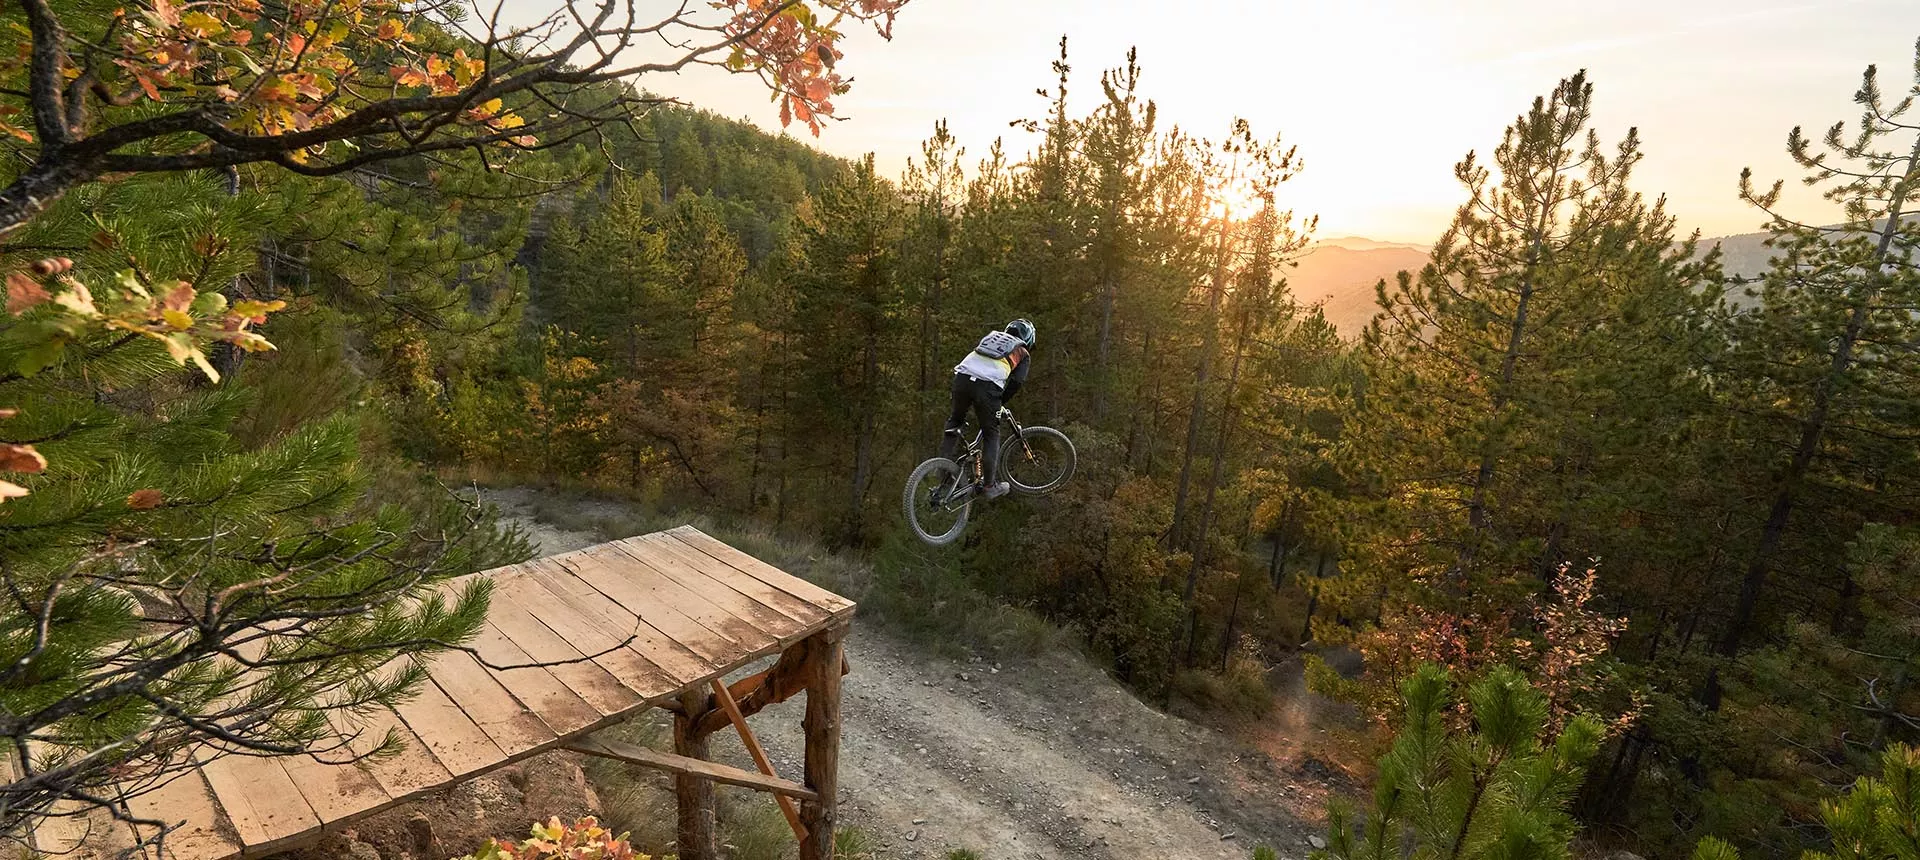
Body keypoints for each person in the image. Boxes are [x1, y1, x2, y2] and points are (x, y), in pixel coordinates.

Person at [940, 318, 1036, 499]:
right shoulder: (1022, 352)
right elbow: (1017, 381)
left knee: (955, 421)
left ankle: (943, 475)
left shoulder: (991, 337)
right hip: (987, 386)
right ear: (1029, 338)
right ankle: (990, 486)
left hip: (961, 378)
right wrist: (1002, 400)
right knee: (991, 433)